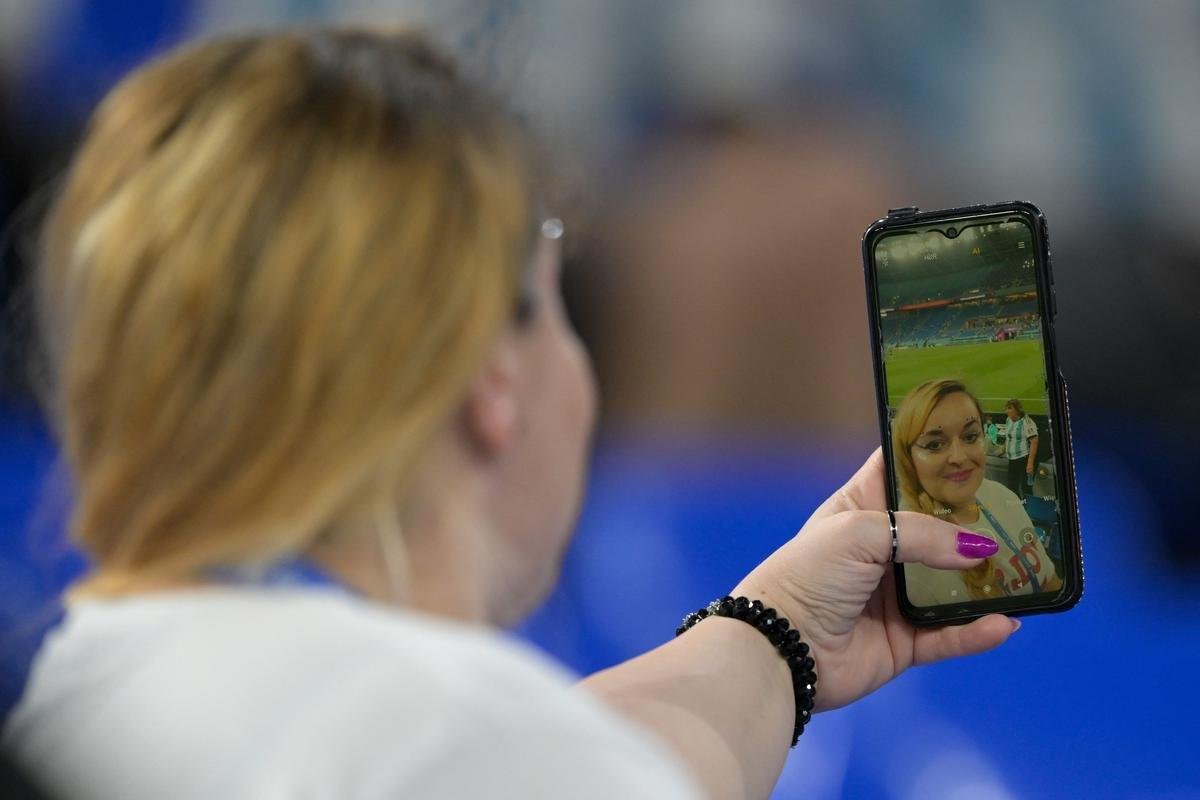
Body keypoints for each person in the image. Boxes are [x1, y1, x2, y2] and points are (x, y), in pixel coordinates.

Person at [1, 30, 1019, 800]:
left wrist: (780, 634)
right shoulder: (467, 738)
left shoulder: (86, 675)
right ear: (495, 381)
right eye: (555, 310)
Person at [892, 379, 1062, 607]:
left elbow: (1051, 583)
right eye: (934, 445)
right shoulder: (909, 563)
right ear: (907, 458)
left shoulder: (1002, 495)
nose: (959, 457)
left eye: (970, 437)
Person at [1002, 398, 1039, 499]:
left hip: (1023, 459)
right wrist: (1003, 449)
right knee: (1011, 487)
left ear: (1017, 410)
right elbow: (1008, 437)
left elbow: (1034, 441)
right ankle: (1019, 508)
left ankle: (1029, 511)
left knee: (1026, 488)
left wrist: (1030, 463)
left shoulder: (1027, 422)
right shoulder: (1008, 420)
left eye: (1010, 408)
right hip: (1012, 459)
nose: (1007, 411)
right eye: (1006, 408)